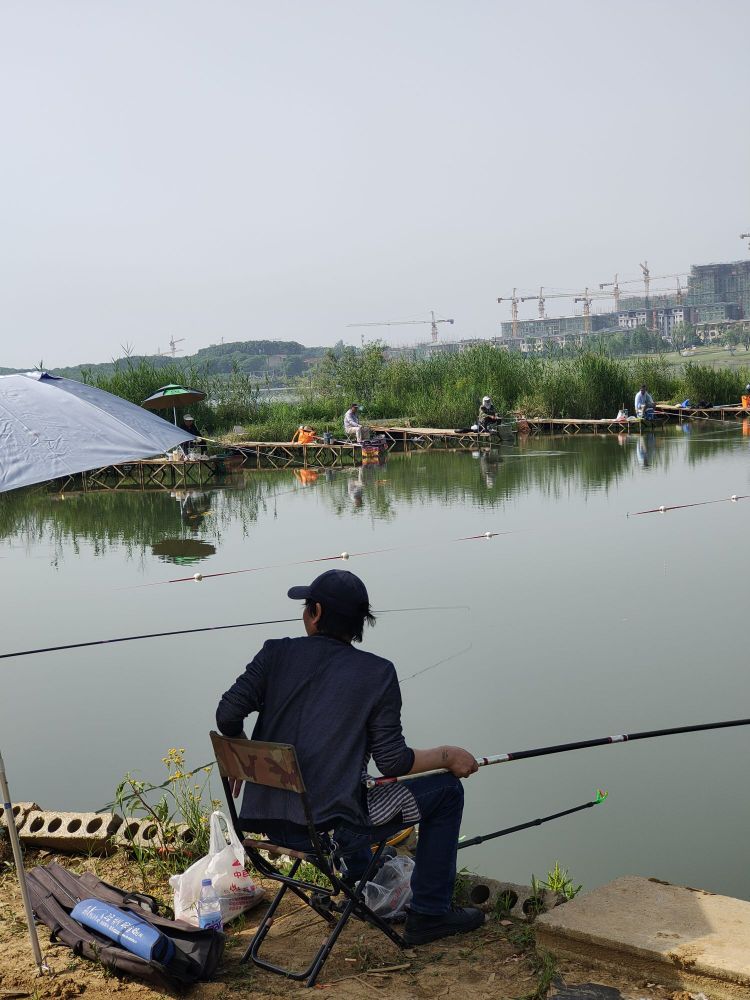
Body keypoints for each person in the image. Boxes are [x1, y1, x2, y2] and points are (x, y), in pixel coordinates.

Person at [216, 570, 484, 946]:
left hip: (265, 820)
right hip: (327, 824)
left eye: (306, 605)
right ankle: (430, 913)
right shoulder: (377, 673)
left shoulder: (274, 653)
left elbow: (227, 715)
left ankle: (360, 878)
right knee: (445, 792)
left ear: (316, 613)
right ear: (359, 624)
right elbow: (392, 762)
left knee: (354, 792)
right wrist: (445, 755)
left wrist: (245, 757)